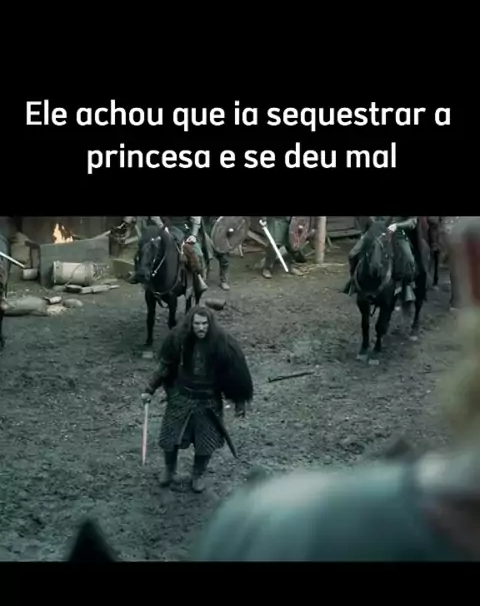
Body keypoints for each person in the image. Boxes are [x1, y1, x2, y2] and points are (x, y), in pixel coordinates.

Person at [194, 218, 480, 560]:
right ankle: (354, 283)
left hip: (398, 230)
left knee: (410, 257)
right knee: (357, 252)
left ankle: (407, 289)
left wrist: (397, 226)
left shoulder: (254, 531)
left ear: (470, 261)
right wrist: (374, 226)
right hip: (376, 230)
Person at [141, 305, 254, 493]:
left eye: (204, 324)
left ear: (210, 324)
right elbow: (164, 366)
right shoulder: (178, 338)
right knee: (169, 438)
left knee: (205, 443)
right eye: (197, 324)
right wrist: (149, 389)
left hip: (208, 402)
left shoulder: (222, 342)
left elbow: (234, 374)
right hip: (181, 397)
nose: (201, 328)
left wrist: (239, 402)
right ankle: (169, 469)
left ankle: (198, 474)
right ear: (191, 324)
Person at [128, 216, 208, 291]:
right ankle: (139, 272)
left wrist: (194, 235)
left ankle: (198, 277)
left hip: (182, 228)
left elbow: (196, 218)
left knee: (197, 252)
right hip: (162, 227)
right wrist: (161, 226)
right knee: (146, 245)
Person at [202, 216, 231, 291]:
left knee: (224, 259)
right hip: (207, 232)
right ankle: (203, 279)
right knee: (205, 258)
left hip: (221, 233)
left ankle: (223, 280)